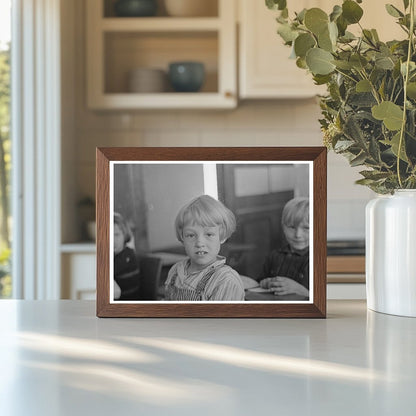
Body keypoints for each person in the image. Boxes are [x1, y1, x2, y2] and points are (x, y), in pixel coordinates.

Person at [165, 195, 245, 301]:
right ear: (182, 237)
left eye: (209, 234)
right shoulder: (175, 271)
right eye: (191, 235)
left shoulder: (225, 280)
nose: (199, 243)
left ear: (222, 236)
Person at [258, 197, 309, 298]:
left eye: (307, 228)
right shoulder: (274, 256)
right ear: (283, 227)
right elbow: (260, 282)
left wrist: (302, 291)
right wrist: (266, 283)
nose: (298, 235)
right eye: (292, 227)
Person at [113, 212, 141, 301]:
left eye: (116, 235)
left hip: (127, 303)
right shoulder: (115, 255)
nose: (112, 240)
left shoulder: (128, 255)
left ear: (124, 235)